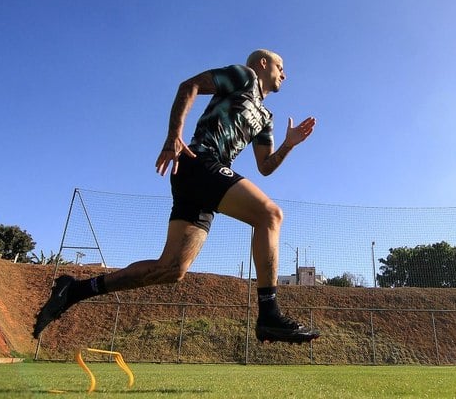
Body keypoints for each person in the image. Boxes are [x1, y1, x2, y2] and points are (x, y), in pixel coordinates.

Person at [34, 49, 319, 344]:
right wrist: (174, 135)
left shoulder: (265, 117)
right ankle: (269, 313)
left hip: (205, 180)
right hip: (199, 161)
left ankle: (75, 290)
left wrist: (289, 145)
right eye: (280, 66)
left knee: (171, 269)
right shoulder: (243, 77)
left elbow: (265, 166)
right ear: (263, 64)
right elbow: (189, 86)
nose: (284, 74)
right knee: (270, 215)